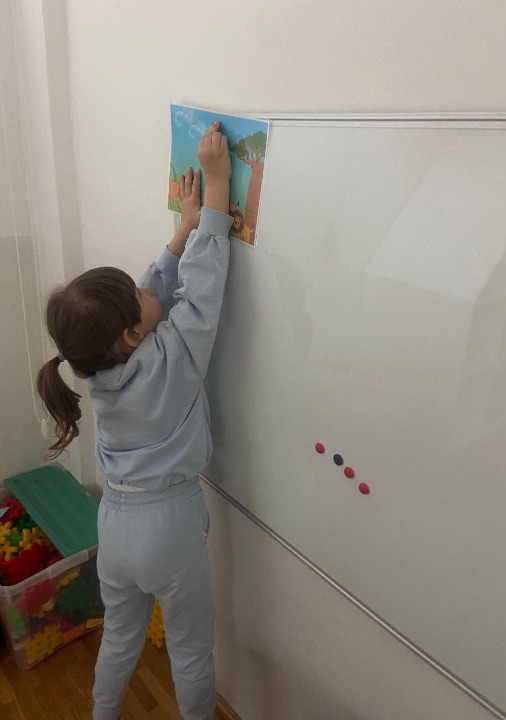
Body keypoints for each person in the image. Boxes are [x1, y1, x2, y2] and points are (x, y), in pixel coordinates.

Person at [36, 121, 232, 720]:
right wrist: (217, 188)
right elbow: (202, 290)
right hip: (168, 528)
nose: (149, 289)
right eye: (138, 293)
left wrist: (181, 230)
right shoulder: (175, 355)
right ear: (131, 333)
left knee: (120, 637)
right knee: (191, 652)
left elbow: (148, 297)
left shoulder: (95, 370)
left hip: (117, 525)